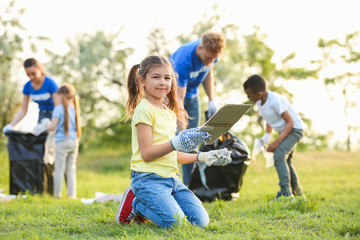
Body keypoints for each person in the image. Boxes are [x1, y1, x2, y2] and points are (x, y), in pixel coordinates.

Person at [115, 55, 232, 228]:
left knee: (201, 222)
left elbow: (171, 154)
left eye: (167, 78)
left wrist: (203, 156)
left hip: (172, 179)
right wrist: (177, 142)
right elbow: (147, 154)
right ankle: (136, 203)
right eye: (156, 77)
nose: (162, 82)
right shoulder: (144, 110)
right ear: (142, 81)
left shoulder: (169, 112)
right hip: (147, 179)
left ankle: (149, 203)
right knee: (178, 225)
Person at [170, 32, 226, 185]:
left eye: (213, 59)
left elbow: (208, 71)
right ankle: (172, 182)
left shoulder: (211, 55)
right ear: (200, 48)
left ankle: (188, 186)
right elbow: (178, 99)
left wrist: (211, 99)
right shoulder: (183, 60)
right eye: (208, 58)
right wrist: (182, 130)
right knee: (176, 142)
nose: (210, 62)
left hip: (193, 96)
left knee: (192, 144)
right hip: (171, 97)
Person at [243, 74, 304, 200]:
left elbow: (290, 122)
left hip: (295, 129)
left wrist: (276, 143)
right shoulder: (260, 103)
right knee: (286, 161)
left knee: (279, 156)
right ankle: (297, 193)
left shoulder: (275, 100)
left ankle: (286, 194)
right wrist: (267, 135)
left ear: (259, 94)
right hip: (288, 130)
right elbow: (269, 119)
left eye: (249, 95)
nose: (248, 97)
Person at [2, 58, 59, 132]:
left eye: (33, 73)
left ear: (40, 69)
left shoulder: (50, 83)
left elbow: (58, 107)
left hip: (55, 115)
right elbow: (23, 110)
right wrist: (11, 125)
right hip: (42, 117)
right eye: (28, 74)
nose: (31, 77)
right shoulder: (27, 87)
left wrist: (53, 124)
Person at [47, 83, 81, 198]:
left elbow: (52, 126)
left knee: (59, 169)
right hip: (74, 141)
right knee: (71, 168)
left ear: (62, 95)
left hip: (61, 141)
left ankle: (58, 194)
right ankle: (72, 195)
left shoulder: (58, 109)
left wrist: (46, 125)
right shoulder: (74, 108)